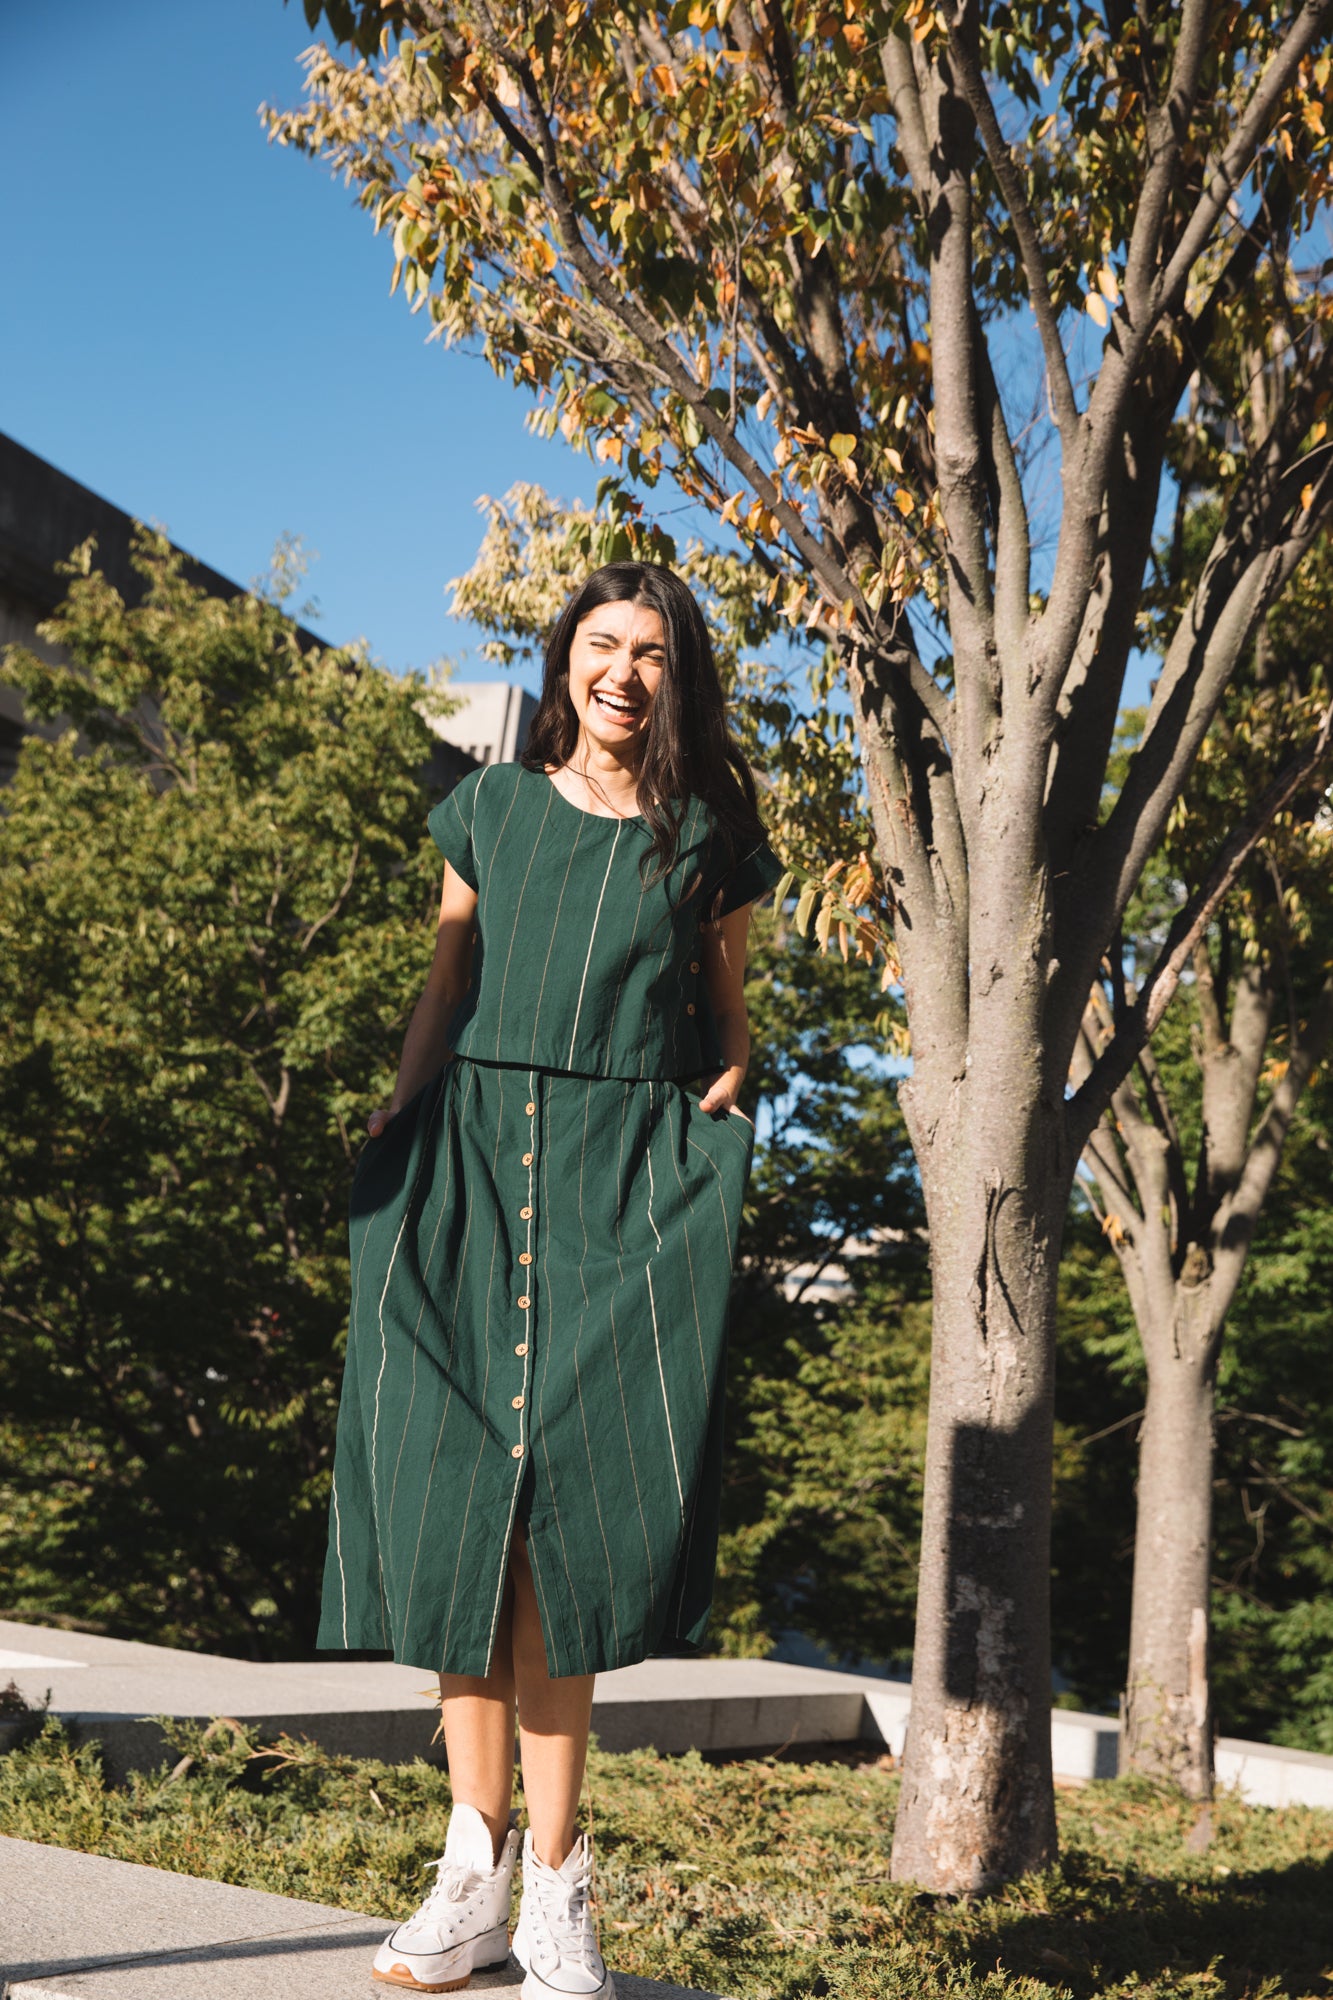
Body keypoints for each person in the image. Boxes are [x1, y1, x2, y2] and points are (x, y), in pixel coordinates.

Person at [317, 561, 785, 1999]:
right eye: (601, 644)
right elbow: (447, 983)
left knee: (561, 1529)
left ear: (674, 675)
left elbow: (725, 1020)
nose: (623, 672)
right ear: (564, 660)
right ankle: (471, 1871)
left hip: (618, 1186)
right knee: (461, 1511)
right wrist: (399, 1112)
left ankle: (560, 1887)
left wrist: (710, 1128)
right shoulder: (491, 807)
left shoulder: (707, 832)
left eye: (650, 651)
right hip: (463, 1171)